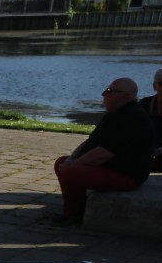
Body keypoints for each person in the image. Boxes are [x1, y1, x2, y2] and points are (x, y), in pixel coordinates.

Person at [52, 78, 155, 226]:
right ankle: (78, 205)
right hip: (110, 167)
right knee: (62, 163)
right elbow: (90, 142)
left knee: (70, 172)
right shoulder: (114, 113)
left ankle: (73, 214)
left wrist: (73, 165)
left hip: (127, 176)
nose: (103, 94)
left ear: (125, 95)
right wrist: (70, 160)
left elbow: (101, 155)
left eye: (109, 91)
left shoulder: (132, 117)